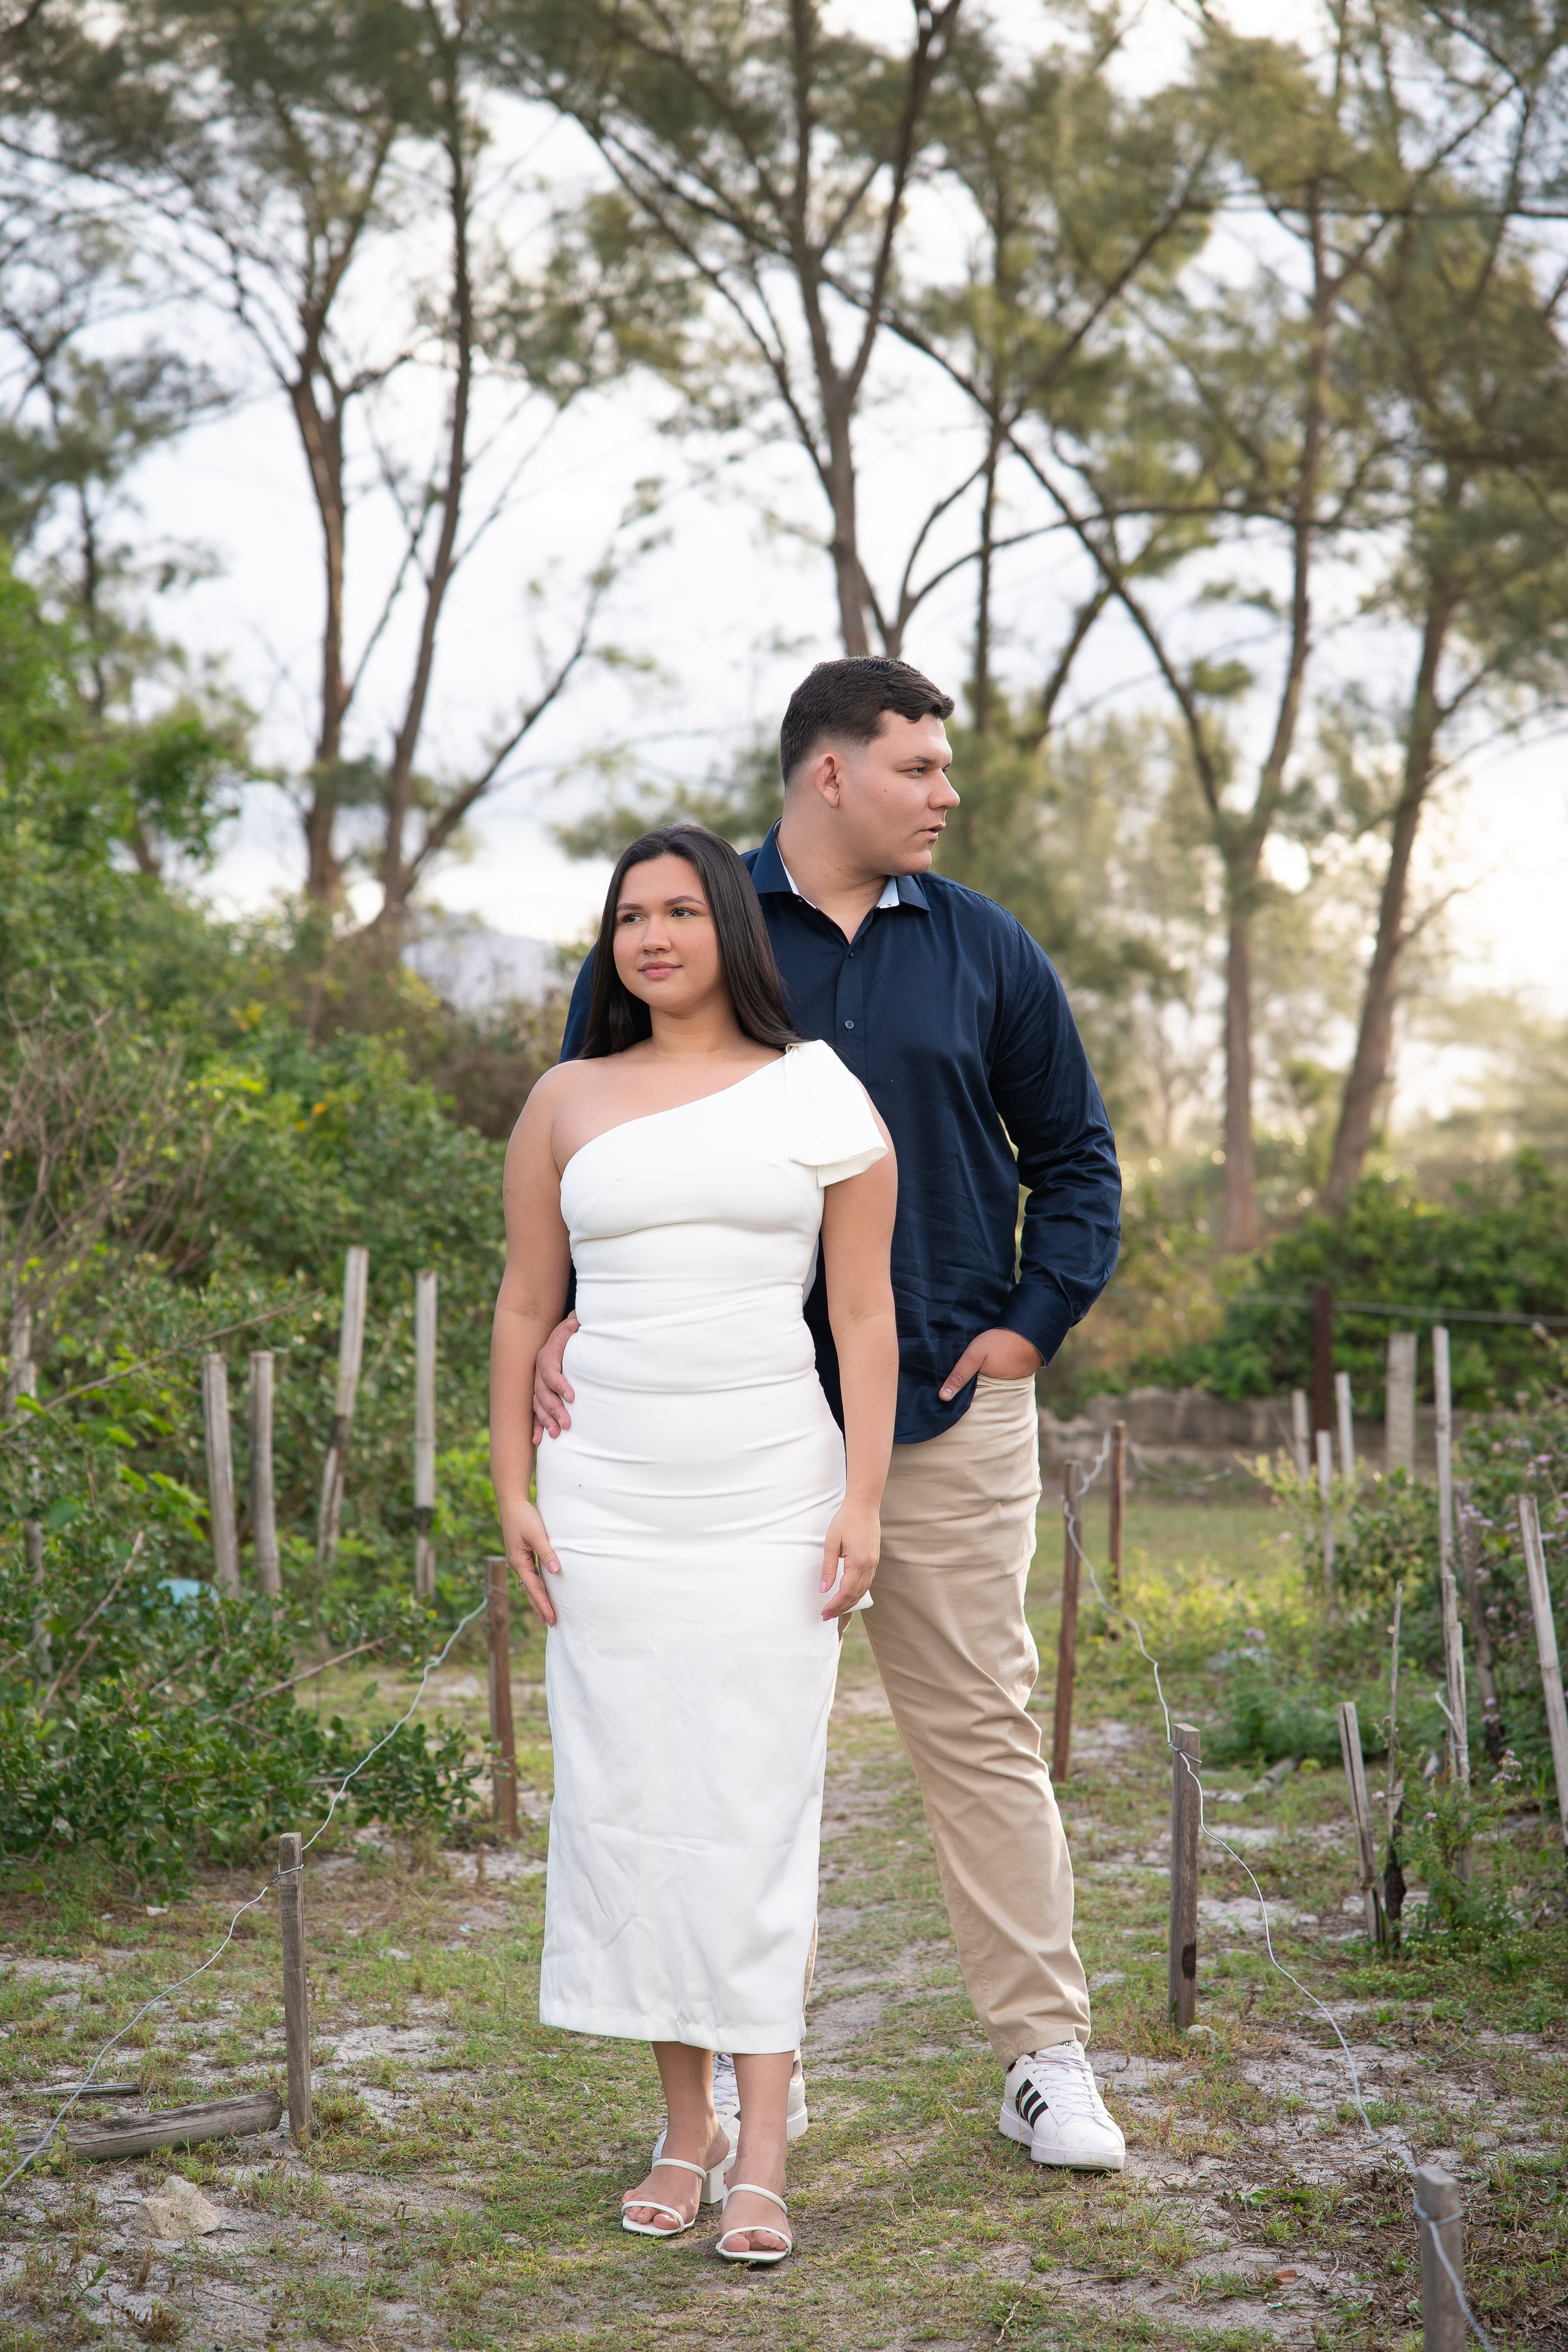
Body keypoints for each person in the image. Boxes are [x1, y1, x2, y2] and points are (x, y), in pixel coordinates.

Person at [538, 657, 1127, 2173]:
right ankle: (746, 2073)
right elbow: (591, 1144)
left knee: (979, 1729)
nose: (945, 793)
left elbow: (1075, 1158)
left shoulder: (984, 947)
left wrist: (1028, 1326)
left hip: (934, 1405)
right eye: (918, 766)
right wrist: (566, 1319)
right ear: (828, 773)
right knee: (722, 1749)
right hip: (718, 1429)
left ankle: (1041, 2055)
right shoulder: (687, 922)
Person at [491, 823, 898, 2264]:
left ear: (731, 923)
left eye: (678, 910)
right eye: (627, 918)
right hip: (606, 1499)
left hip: (768, 1495)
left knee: (751, 1805)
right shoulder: (563, 1099)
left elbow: (861, 1315)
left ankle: (765, 2140)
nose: (651, 937)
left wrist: (862, 1499)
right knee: (633, 1800)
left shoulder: (816, 1090)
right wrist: (511, 1488)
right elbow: (523, 1303)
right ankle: (686, 2127)